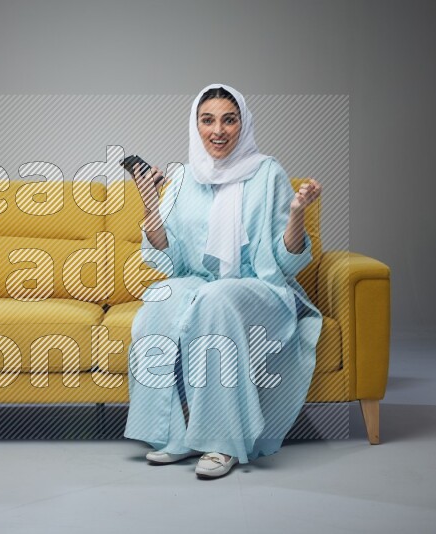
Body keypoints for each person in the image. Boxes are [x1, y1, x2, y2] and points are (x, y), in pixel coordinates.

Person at [123, 83, 323, 479]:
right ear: (196, 125)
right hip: (200, 282)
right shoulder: (182, 179)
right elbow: (171, 258)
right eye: (207, 120)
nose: (218, 130)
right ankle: (171, 435)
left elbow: (285, 262)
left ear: (243, 124)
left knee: (214, 299)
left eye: (229, 120)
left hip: (260, 288)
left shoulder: (268, 173)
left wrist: (297, 213)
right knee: (162, 300)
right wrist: (150, 203)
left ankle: (222, 442)